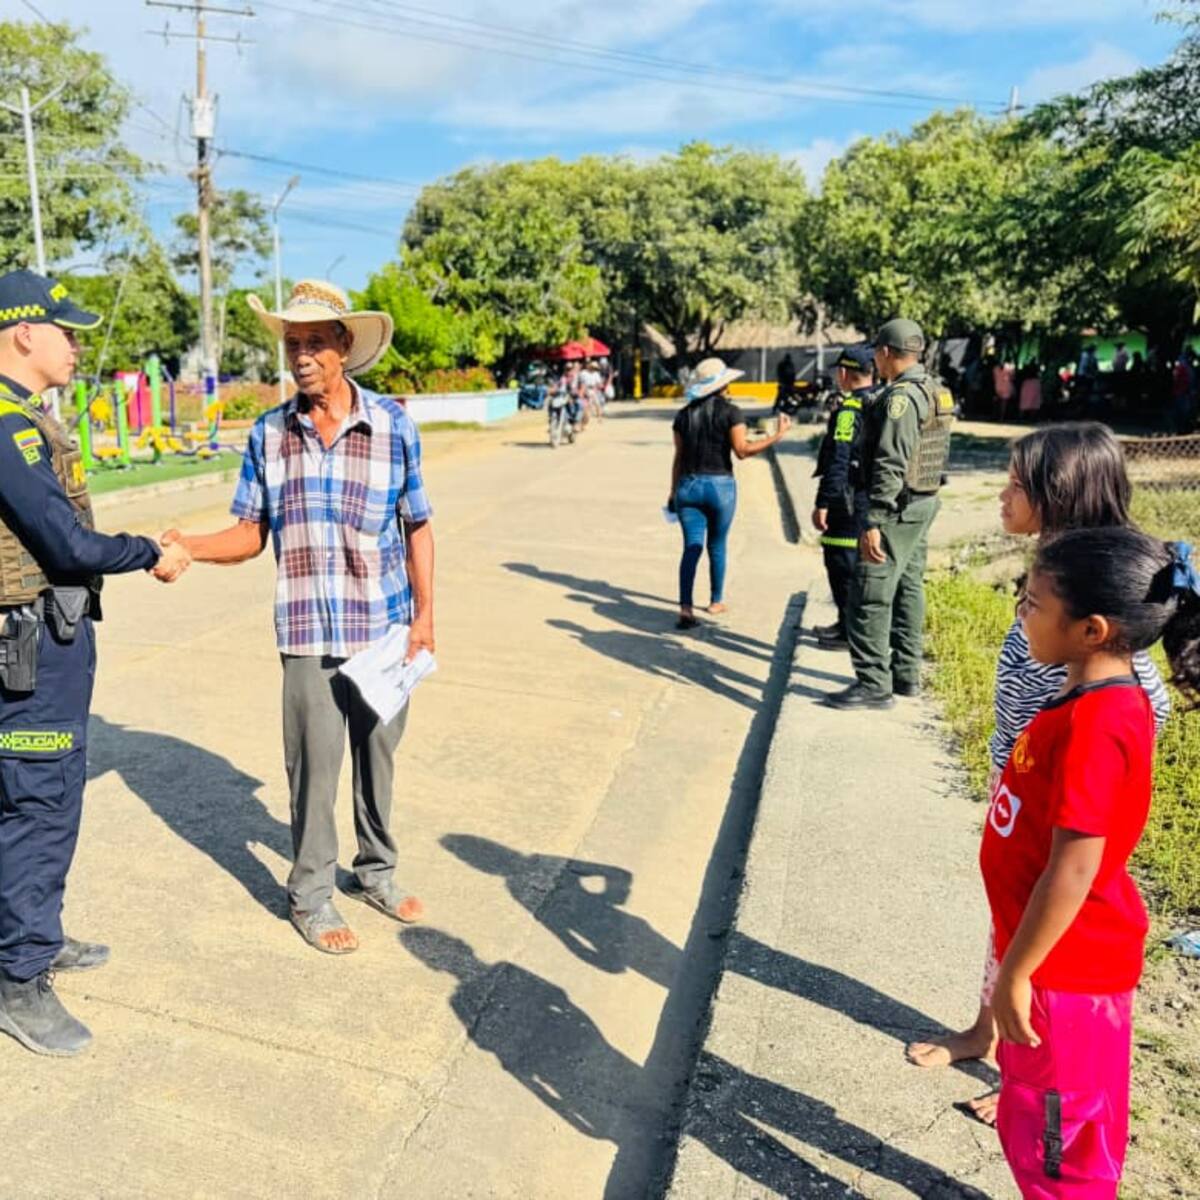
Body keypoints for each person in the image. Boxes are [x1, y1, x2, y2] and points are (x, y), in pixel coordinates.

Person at [905, 424, 1170, 1126]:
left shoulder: (1092, 606)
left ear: (1060, 496)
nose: (1002, 495)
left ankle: (1033, 1074)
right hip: (1020, 795)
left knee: (1042, 951)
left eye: (1018, 485)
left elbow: (1144, 706)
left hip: (1059, 817)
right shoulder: (1055, 585)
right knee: (1005, 928)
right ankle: (985, 1033)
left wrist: (1057, 783)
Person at [161, 280, 434, 956]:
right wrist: (189, 545)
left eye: (316, 342)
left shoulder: (394, 426)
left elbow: (418, 525)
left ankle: (376, 873)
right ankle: (310, 896)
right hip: (309, 634)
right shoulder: (268, 434)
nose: (303, 356)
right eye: (293, 344)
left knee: (379, 759)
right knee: (314, 769)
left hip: (384, 629)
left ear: (345, 347)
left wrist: (426, 617)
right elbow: (250, 534)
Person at [0, 269, 189, 1057]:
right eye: (65, 332)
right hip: (33, 653)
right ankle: (21, 978)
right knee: (39, 807)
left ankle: (30, 938)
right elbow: (67, 545)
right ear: (22, 334)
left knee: (30, 801)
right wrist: (151, 551)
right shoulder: (5, 425)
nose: (77, 345)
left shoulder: (23, 417)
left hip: (41, 644)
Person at [981, 526, 1200, 1198]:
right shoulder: (1079, 693)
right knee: (1031, 1116)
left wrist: (1016, 972)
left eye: (1034, 604)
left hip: (1065, 974)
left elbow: (1074, 867)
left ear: (1092, 629)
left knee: (1061, 1150)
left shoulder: (1101, 723)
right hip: (1045, 958)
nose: (1022, 614)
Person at [826, 319, 952, 710]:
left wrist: (874, 521)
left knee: (870, 590)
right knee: (910, 586)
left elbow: (890, 462)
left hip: (897, 507)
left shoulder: (901, 399)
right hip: (923, 502)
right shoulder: (935, 389)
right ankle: (906, 675)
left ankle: (873, 684)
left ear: (884, 353)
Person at [668, 357, 790, 630]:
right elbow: (742, 451)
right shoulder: (731, 412)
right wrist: (777, 436)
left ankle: (685, 608)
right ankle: (715, 601)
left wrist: (672, 492)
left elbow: (679, 457)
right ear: (722, 384)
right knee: (717, 544)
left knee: (691, 548)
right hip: (720, 487)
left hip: (688, 487)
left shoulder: (683, 416)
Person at [810, 345, 876, 648]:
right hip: (869, 496)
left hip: (847, 500)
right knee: (853, 565)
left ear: (845, 373)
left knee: (840, 563)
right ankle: (845, 625)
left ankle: (849, 632)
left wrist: (823, 501)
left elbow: (839, 458)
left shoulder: (849, 411)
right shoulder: (880, 401)